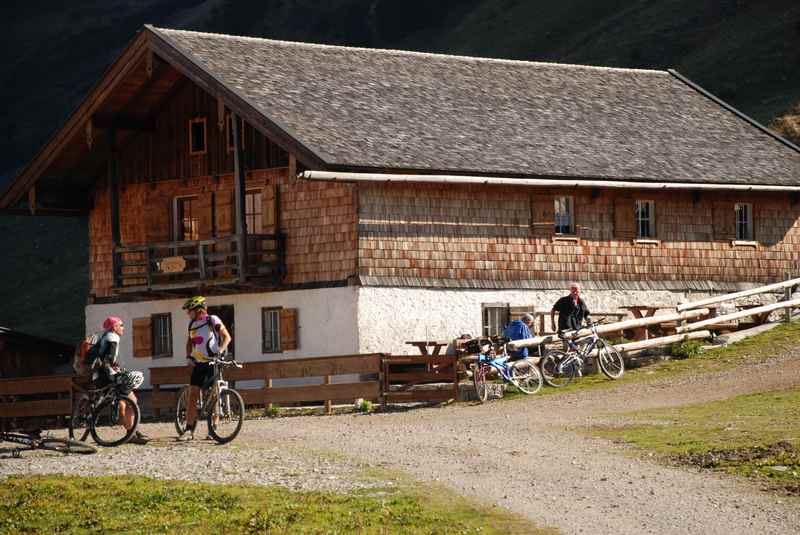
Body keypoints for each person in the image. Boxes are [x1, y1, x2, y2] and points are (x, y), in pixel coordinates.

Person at [182, 296, 232, 439]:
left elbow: (227, 337)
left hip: (213, 361)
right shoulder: (191, 324)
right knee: (193, 394)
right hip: (199, 363)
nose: (187, 313)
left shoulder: (212, 320)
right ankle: (189, 429)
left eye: (189, 310)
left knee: (215, 392)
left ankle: (213, 429)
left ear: (198, 310)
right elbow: (189, 343)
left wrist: (220, 351)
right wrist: (188, 356)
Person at [94, 316, 149, 445]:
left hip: (99, 376)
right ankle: (131, 433)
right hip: (107, 375)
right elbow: (109, 359)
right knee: (132, 400)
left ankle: (132, 431)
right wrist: (115, 370)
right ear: (114, 327)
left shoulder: (104, 337)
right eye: (121, 325)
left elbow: (105, 358)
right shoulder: (113, 338)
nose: (123, 327)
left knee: (123, 402)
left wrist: (114, 365)